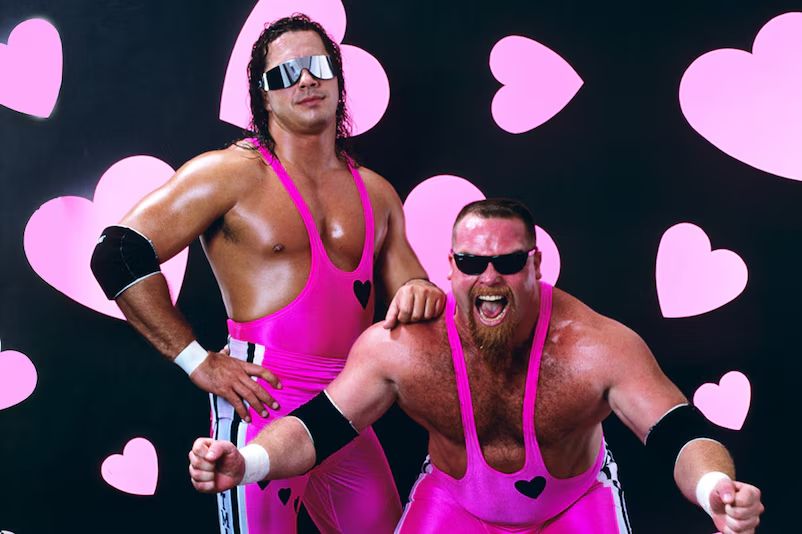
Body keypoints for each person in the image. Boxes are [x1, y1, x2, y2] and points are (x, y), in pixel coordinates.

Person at [189, 198, 765, 533]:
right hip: (456, 504)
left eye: (507, 262)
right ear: (451, 267)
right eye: (472, 262)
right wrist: (251, 460)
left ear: (535, 264)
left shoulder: (596, 345)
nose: (489, 279)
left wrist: (716, 486)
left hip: (573, 506)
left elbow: (675, 432)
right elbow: (320, 427)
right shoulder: (407, 346)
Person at [91, 14, 445, 534]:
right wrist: (197, 362)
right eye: (285, 73)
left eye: (317, 65)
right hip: (261, 402)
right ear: (263, 95)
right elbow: (117, 254)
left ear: (338, 79)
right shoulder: (230, 174)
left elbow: (416, 289)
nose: (304, 80)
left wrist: (421, 292)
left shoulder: (376, 192)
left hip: (349, 406)